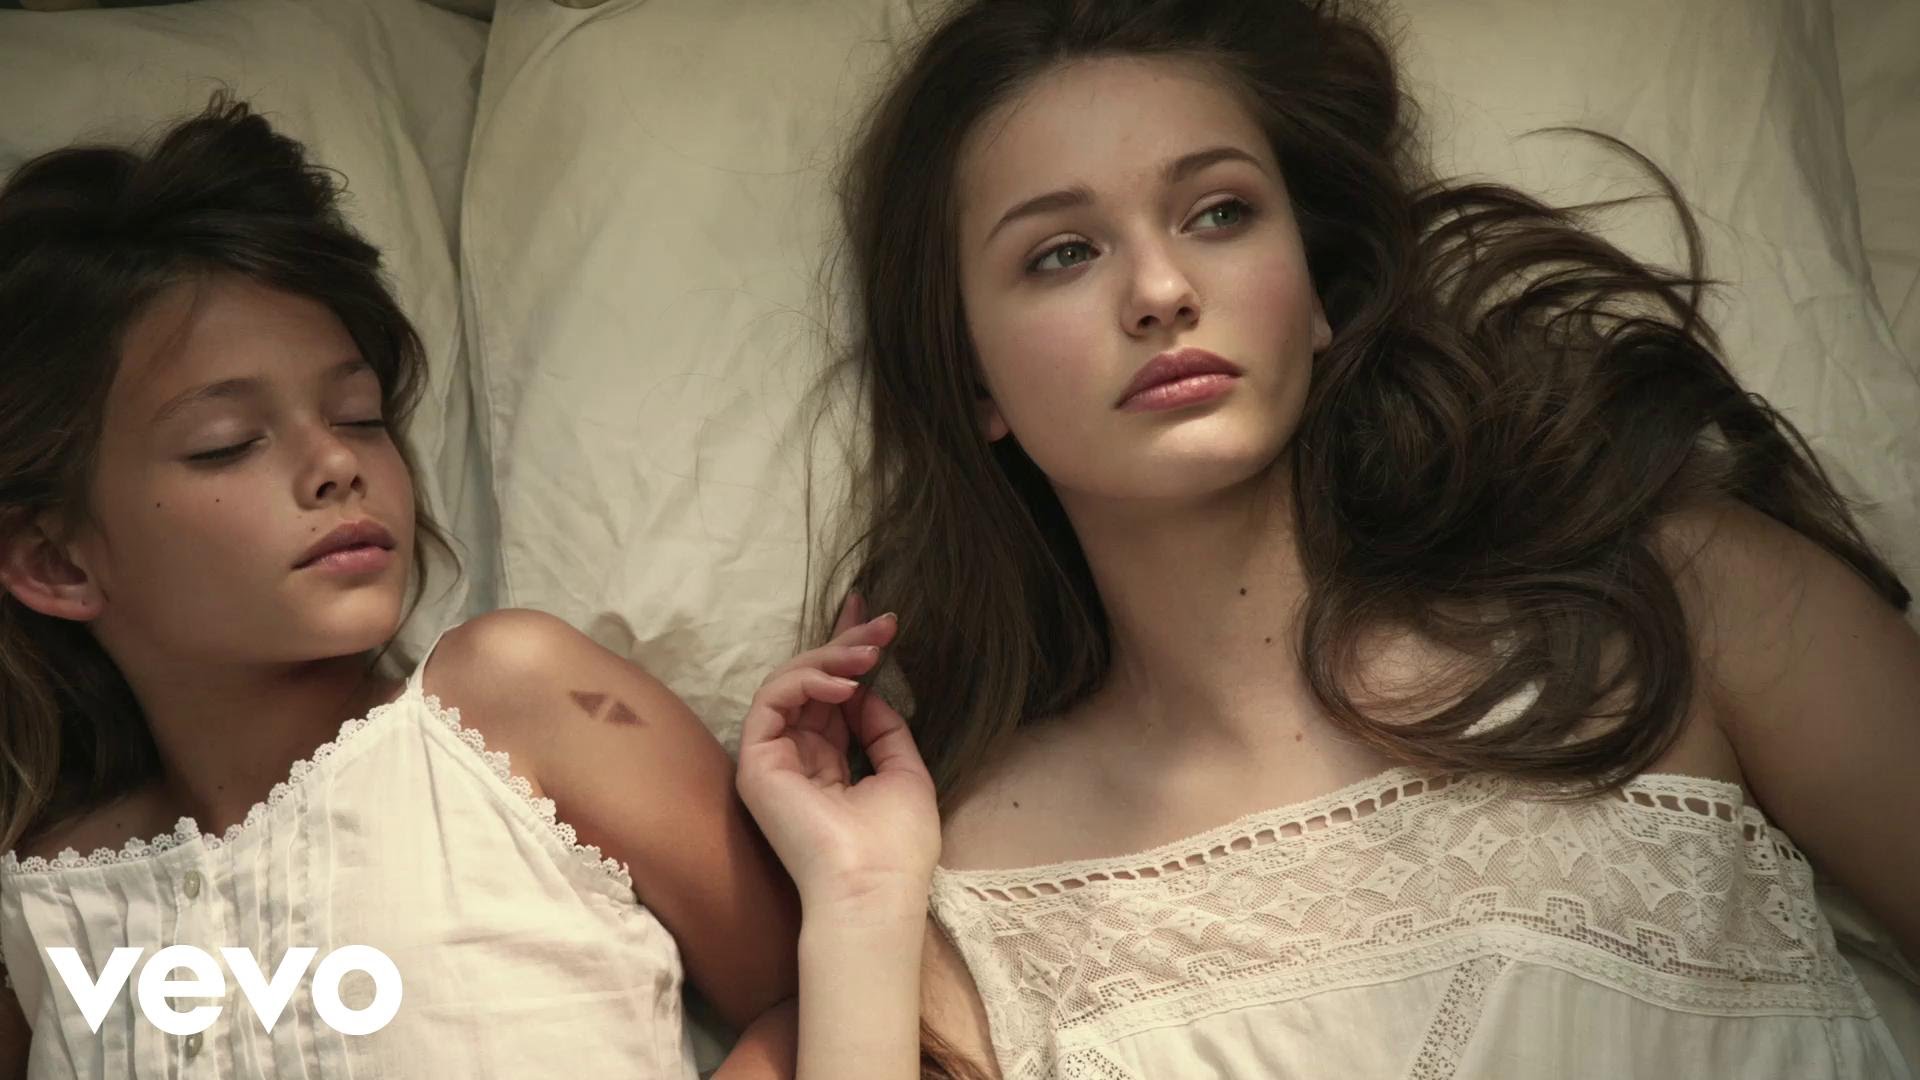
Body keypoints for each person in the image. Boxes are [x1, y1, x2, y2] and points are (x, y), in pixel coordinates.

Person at [735, 2, 1920, 1077]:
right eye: (1062, 253)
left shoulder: (1678, 593)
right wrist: (860, 903)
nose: (1160, 289)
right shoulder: (958, 886)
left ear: (1314, 292)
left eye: (1220, 213)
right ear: (973, 378)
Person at [0, 96, 799, 1079]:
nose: (337, 462)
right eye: (227, 443)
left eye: (360, 416)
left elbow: (832, 997)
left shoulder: (510, 706)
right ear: (56, 563)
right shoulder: (48, 896)